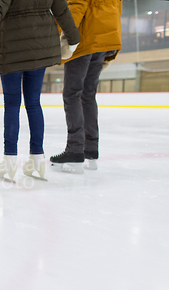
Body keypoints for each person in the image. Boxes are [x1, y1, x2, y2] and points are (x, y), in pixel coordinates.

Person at [0, 0, 80, 181]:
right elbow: (62, 10)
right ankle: (37, 159)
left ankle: (10, 160)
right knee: (34, 103)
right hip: (41, 46)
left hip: (12, 47)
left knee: (12, 104)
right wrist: (73, 39)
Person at [50, 0, 122, 173]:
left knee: (72, 94)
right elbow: (116, 10)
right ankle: (90, 148)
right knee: (88, 95)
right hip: (105, 40)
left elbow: (75, 7)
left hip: (85, 40)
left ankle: (75, 149)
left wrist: (66, 37)